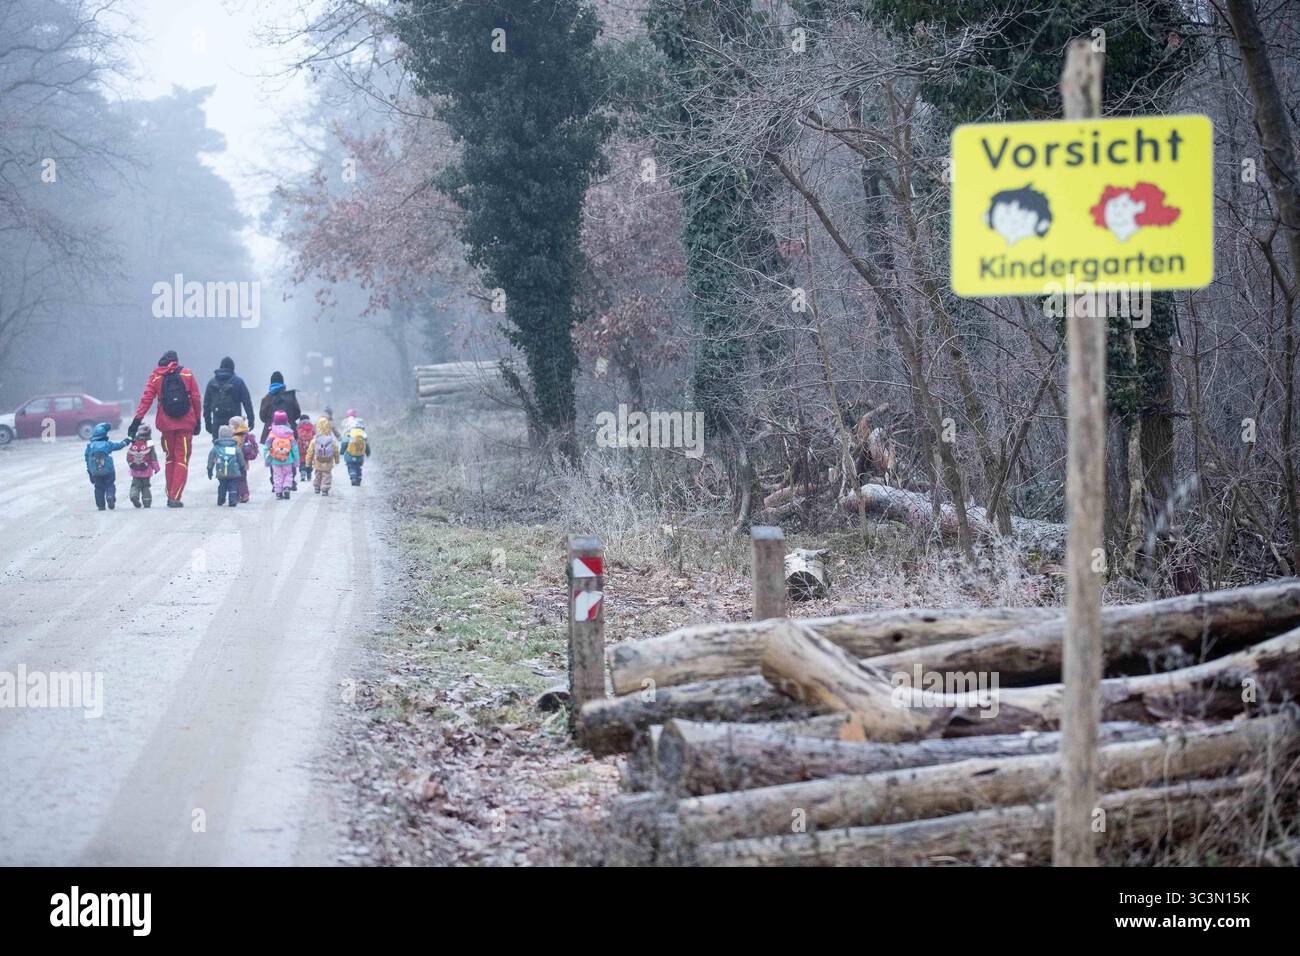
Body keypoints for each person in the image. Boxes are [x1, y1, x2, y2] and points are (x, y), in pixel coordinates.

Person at [127, 350, 202, 508]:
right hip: (186, 423)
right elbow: (195, 398)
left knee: (170, 458)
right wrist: (197, 420)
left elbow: (146, 400)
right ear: (176, 361)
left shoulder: (155, 376)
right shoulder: (187, 374)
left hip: (166, 425)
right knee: (182, 459)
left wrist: (136, 421)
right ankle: (175, 496)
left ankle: (170, 493)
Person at [203, 357, 255, 438]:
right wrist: (251, 420)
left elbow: (206, 405)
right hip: (235, 423)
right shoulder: (238, 382)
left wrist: (208, 423)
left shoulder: (211, 383)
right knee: (236, 446)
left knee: (218, 447)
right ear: (233, 368)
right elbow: (247, 402)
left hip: (217, 424)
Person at [84, 422, 130, 511]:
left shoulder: (89, 447)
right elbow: (119, 446)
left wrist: (90, 472)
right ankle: (110, 496)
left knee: (98, 487)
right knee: (110, 484)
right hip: (108, 470)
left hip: (95, 471)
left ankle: (101, 505)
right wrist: (127, 440)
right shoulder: (107, 444)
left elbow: (87, 460)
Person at [263, 410, 300, 500]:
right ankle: (287, 487)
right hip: (288, 459)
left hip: (275, 460)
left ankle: (278, 492)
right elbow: (295, 448)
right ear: (286, 420)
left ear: (274, 421)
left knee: (277, 475)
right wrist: (296, 460)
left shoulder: (272, 433)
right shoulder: (289, 433)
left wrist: (267, 460)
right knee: (288, 474)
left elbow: (266, 447)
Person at [207, 424, 247, 507]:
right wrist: (243, 467)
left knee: (222, 485)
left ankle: (221, 499)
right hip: (233, 471)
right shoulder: (235, 447)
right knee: (233, 486)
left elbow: (211, 458)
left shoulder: (216, 447)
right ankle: (232, 500)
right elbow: (240, 457)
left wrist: (209, 469)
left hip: (221, 471)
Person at [125, 424, 162, 508]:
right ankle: (147, 502)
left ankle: (134, 496)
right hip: (146, 469)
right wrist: (156, 467)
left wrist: (131, 463)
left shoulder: (135, 440)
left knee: (135, 485)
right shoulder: (149, 441)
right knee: (145, 486)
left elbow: (129, 455)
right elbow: (153, 455)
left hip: (135, 469)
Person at [229, 415, 258, 504]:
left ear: (236, 426)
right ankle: (244, 494)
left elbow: (234, 451)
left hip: (236, 463)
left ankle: (241, 495)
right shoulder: (245, 435)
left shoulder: (235, 438)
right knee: (242, 479)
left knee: (236, 479)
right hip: (244, 463)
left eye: (231, 425)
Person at [306, 426, 340, 495]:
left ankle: (317, 487)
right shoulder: (331, 440)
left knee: (318, 473)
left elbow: (310, 452)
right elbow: (336, 451)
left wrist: (308, 462)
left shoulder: (315, 440)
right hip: (328, 461)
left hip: (318, 461)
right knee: (327, 474)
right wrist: (337, 460)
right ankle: (325, 488)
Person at [342, 417, 371, 486]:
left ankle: (353, 477)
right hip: (360, 455)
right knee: (358, 467)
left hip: (350, 454)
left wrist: (342, 451)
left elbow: (344, 443)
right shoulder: (363, 434)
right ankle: (358, 478)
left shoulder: (350, 433)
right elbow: (366, 445)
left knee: (351, 466)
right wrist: (368, 453)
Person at [296, 414, 316, 484]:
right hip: (310, 445)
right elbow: (314, 433)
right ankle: (309, 473)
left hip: (301, 445)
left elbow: (296, 435)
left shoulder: (298, 426)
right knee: (309, 459)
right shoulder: (311, 426)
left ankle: (303, 473)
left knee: (302, 459)